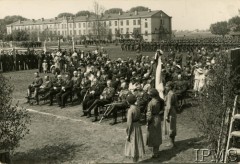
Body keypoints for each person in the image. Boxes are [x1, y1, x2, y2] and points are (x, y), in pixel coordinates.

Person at [125, 94, 145, 163]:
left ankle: (134, 161)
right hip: (137, 126)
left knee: (133, 143)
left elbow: (129, 123)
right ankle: (136, 159)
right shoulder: (137, 108)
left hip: (133, 127)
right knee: (137, 142)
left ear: (128, 102)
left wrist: (128, 133)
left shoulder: (130, 110)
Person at [146, 88, 164, 158]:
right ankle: (156, 151)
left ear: (151, 95)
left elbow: (149, 114)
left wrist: (148, 122)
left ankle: (154, 152)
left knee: (152, 135)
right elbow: (162, 109)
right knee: (157, 135)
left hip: (153, 120)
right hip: (158, 118)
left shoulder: (151, 103)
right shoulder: (159, 100)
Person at [163, 81, 178, 148]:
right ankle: (172, 142)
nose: (165, 87)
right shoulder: (173, 93)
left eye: (167, 86)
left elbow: (168, 105)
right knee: (172, 126)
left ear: (170, 87)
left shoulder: (170, 94)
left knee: (170, 127)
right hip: (173, 110)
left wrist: (167, 116)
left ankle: (171, 143)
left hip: (170, 111)